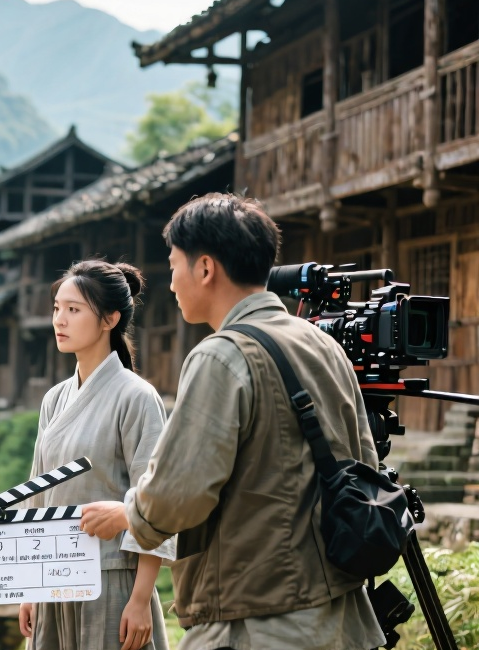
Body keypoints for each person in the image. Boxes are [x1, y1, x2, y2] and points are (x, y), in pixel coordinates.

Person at [80, 193, 386, 650]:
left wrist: (129, 513)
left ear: (205, 268)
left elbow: (178, 494)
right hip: (335, 610)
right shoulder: (321, 344)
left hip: (257, 618)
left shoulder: (221, 356)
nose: (171, 284)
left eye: (174, 267)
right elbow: (366, 461)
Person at [19, 260, 173, 650]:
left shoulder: (136, 396)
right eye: (57, 308)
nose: (60, 319)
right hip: (54, 574)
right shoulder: (55, 398)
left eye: (74, 309)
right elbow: (38, 495)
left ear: (109, 319)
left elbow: (153, 501)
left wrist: (139, 600)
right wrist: (29, 585)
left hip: (110, 577)